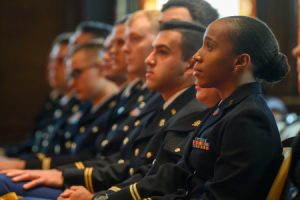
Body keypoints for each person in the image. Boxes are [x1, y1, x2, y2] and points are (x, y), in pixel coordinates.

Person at [88, 16, 290, 200]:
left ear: (240, 61)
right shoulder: (223, 109)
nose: (196, 56)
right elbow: (178, 175)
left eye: (209, 47)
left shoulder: (248, 118)